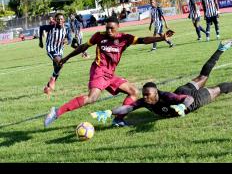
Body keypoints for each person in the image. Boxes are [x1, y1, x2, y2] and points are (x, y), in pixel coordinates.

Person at [43, 16, 174, 127]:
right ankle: (56, 112)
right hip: (99, 71)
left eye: (112, 28)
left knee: (133, 92)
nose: (109, 31)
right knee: (91, 98)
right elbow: (83, 47)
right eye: (107, 28)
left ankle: (118, 119)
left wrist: (161, 38)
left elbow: (143, 40)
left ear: (118, 27)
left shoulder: (125, 38)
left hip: (110, 75)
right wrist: (66, 58)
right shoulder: (99, 36)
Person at [91, 39, 232, 126]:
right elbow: (128, 107)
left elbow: (188, 99)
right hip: (183, 90)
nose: (145, 98)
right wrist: (110, 112)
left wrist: (183, 106)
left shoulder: (167, 96)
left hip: (192, 101)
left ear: (156, 93)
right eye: (145, 95)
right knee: (202, 77)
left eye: (148, 95)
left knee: (217, 90)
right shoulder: (145, 101)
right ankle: (221, 49)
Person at [39, 13, 72, 96]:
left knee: (57, 68)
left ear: (64, 20)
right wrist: (40, 41)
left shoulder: (67, 27)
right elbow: (41, 28)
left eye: (61, 19)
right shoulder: (51, 27)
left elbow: (70, 39)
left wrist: (67, 41)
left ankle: (47, 87)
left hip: (60, 49)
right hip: (51, 49)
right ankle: (53, 79)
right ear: (55, 20)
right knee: (60, 63)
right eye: (58, 19)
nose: (60, 21)